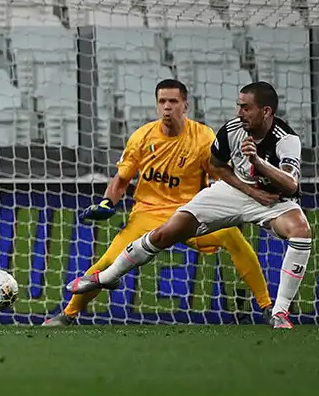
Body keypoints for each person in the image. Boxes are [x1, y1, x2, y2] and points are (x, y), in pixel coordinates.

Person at [68, 82, 311, 330]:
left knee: (297, 232)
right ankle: (86, 297)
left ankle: (275, 310)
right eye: (162, 101)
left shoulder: (284, 139)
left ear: (266, 111)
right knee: (158, 237)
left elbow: (291, 185)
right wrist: (108, 202)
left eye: (245, 108)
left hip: (270, 199)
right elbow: (216, 166)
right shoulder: (152, 135)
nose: (239, 113)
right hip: (168, 207)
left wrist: (257, 163)